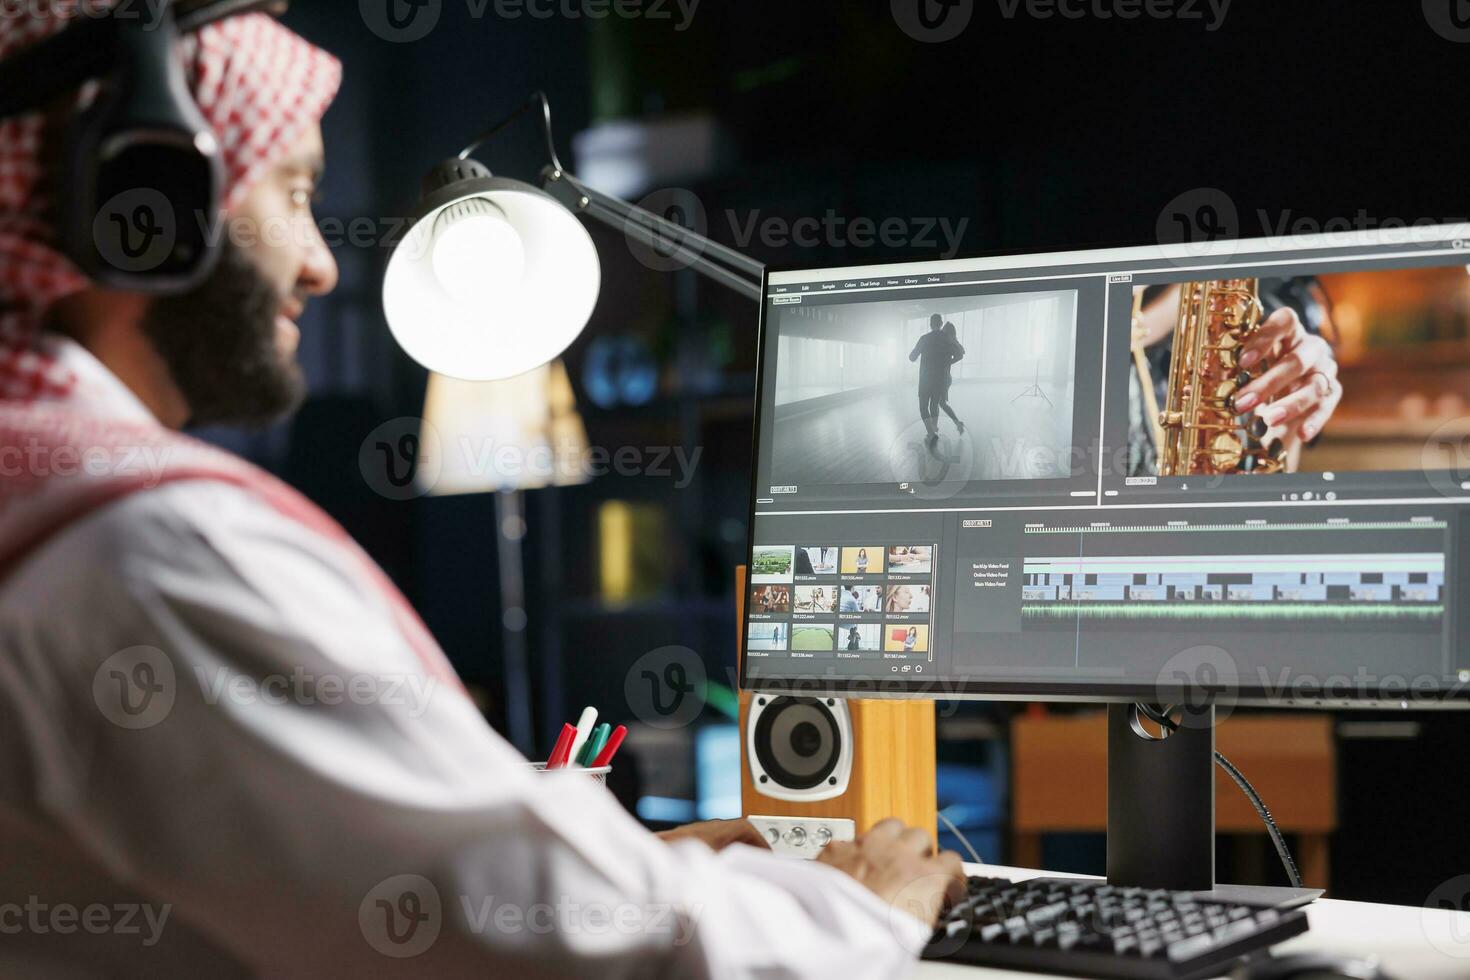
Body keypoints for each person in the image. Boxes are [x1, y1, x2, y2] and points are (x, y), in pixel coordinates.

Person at [0, 7, 964, 977]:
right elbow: (572, 952)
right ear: (140, 198)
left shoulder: (42, 506)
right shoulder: (151, 551)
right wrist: (856, 906)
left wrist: (618, 868)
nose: (321, 263)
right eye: (292, 194)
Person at [909, 313, 951, 445]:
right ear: (941, 323)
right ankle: (934, 429)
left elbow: (912, 357)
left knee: (923, 407)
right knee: (934, 405)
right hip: (940, 379)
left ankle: (931, 433)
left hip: (926, 379)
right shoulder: (946, 339)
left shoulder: (924, 339)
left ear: (930, 324)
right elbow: (959, 353)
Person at [936, 321, 966, 433]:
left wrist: (948, 362)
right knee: (940, 403)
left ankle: (936, 427)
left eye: (944, 329)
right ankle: (957, 423)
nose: (943, 331)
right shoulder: (950, 342)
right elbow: (961, 354)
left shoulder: (949, 342)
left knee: (939, 403)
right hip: (944, 377)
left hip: (943, 378)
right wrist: (949, 362)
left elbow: (961, 353)